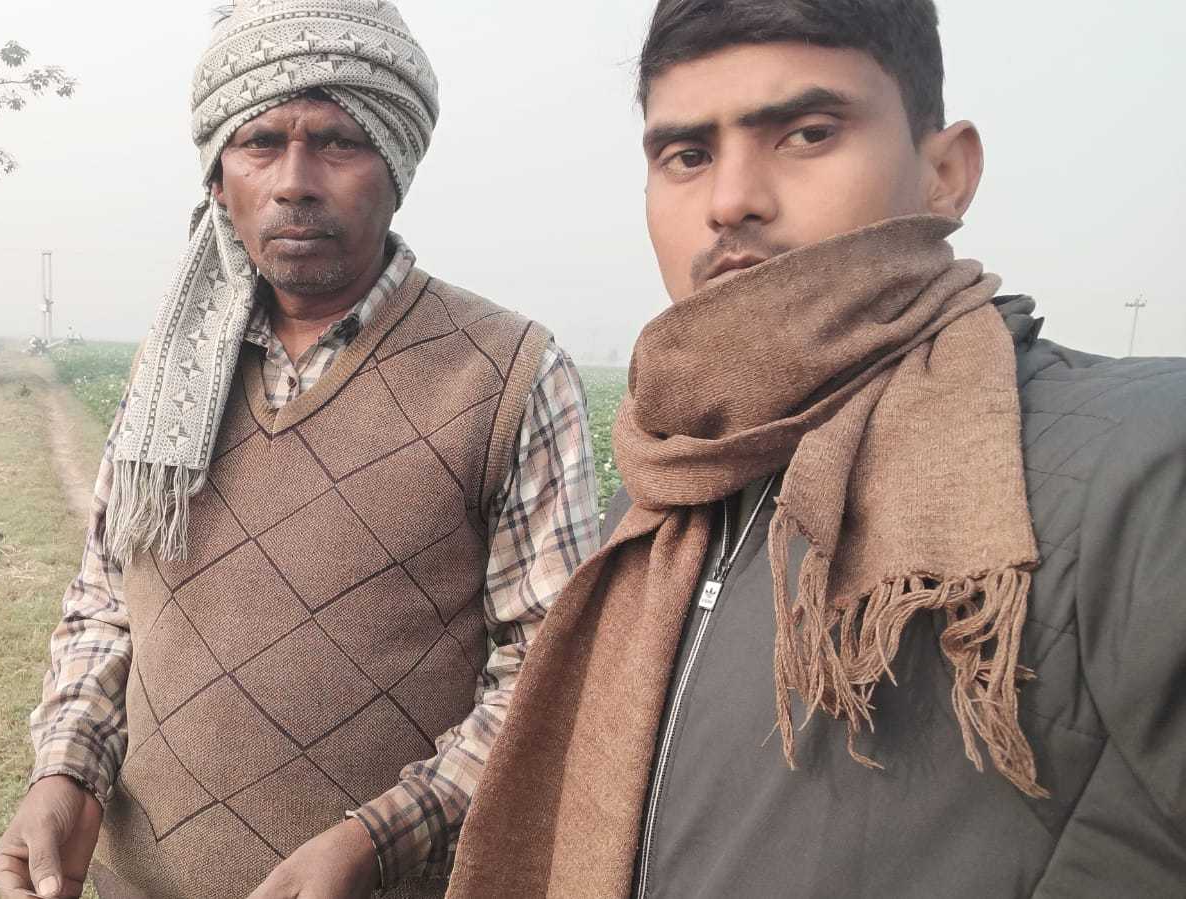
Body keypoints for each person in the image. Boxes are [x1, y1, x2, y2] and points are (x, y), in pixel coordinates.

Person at [446, 1, 1186, 897]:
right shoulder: (659, 499)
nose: (730, 200)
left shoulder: (1141, 462)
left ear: (945, 173)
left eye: (806, 134)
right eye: (687, 155)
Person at [0, 2, 600, 898]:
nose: (294, 182)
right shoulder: (172, 366)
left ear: (396, 165)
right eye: (260, 143)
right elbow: (109, 602)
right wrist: (65, 770)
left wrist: (378, 840)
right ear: (217, 177)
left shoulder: (507, 373)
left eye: (338, 142)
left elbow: (548, 672)